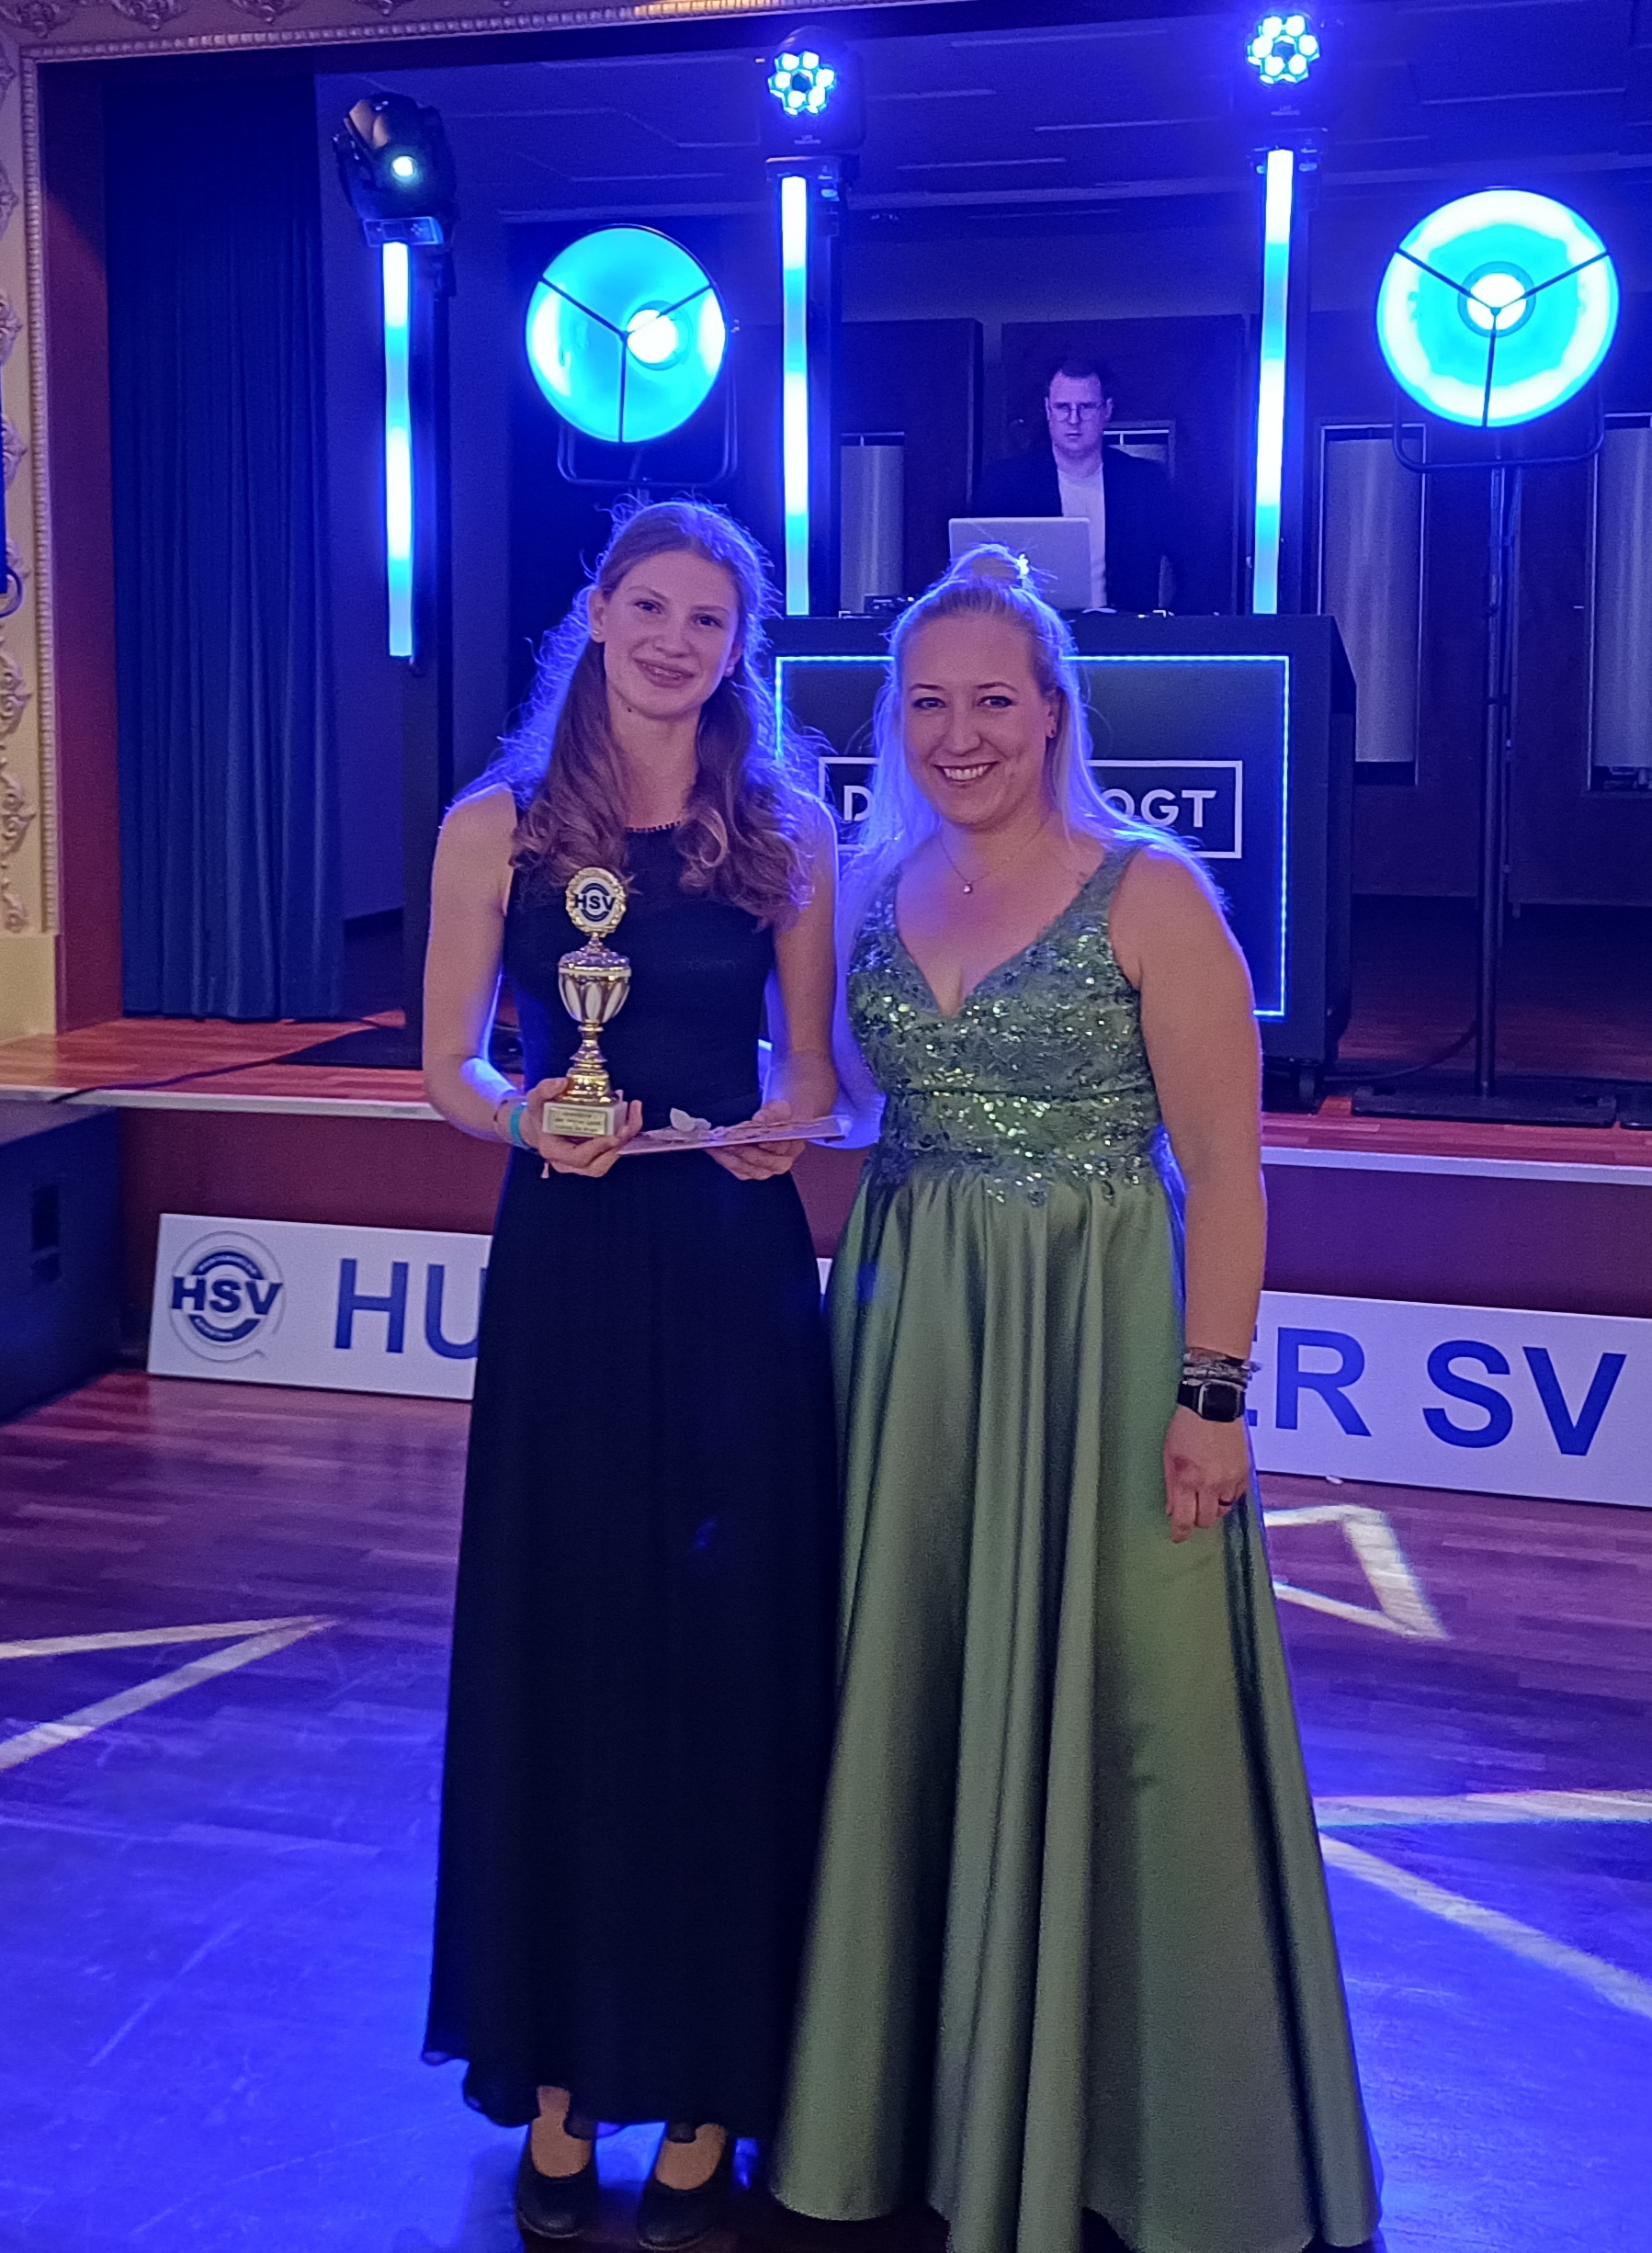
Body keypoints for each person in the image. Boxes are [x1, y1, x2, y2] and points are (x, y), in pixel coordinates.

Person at [772, 548, 1380, 2253]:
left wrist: (1211, 1396)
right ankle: (898, 2107)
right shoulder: (868, 886)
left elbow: (1228, 1178)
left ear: (1053, 714)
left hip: (1102, 1333)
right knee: (906, 1687)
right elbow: (833, 1103)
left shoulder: (1149, 892)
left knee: (1130, 1705)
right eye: (927, 702)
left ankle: (1135, 2136)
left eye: (993, 700)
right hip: (910, 1332)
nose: (958, 733)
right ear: (894, 719)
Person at [421, 500, 840, 2250]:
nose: (676, 640)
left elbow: (815, 1074)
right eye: (649, 606)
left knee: (729, 1662)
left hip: (731, 1265)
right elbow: (445, 1066)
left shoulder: (788, 828)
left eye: (708, 618)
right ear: (594, 615)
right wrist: (525, 1113)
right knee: (570, 1647)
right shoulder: (494, 826)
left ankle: (711, 2091)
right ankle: (562, 2077)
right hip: (570, 1267)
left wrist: (784, 1122)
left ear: (738, 647)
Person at [971, 358, 1183, 613]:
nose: (1074, 419)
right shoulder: (1006, 483)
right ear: (1048, 410)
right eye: (1063, 407)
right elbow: (977, 569)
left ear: (1106, 410)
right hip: (1034, 629)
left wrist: (1173, 626)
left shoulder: (1145, 483)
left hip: (1124, 630)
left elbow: (1193, 561)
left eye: (1086, 407)